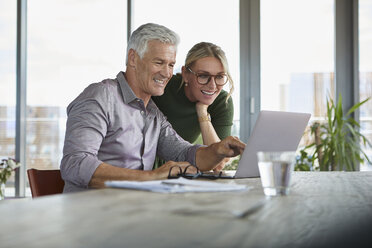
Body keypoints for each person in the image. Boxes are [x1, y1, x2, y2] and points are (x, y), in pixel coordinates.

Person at [60, 23, 245, 193]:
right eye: (159, 62)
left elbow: (183, 153)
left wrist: (218, 150)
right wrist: (151, 177)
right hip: (92, 215)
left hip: (136, 212)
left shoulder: (152, 113)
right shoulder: (101, 97)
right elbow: (75, 163)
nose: (167, 73)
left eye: (171, 65)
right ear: (133, 58)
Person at [152, 42, 234, 171]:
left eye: (219, 77)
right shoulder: (163, 87)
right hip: (145, 165)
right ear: (185, 74)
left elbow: (218, 164)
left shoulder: (222, 101)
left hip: (178, 169)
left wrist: (202, 111)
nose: (212, 86)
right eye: (203, 76)